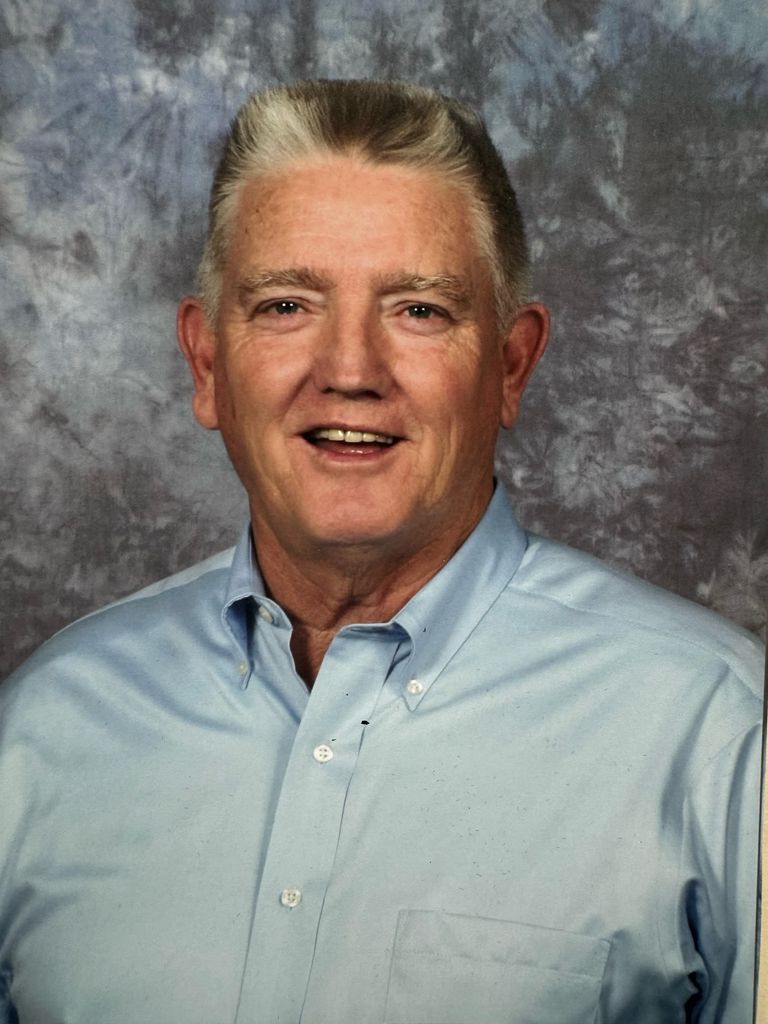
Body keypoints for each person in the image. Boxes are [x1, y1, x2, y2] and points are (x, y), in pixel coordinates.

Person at [0, 80, 762, 1024]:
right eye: (287, 304)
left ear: (511, 365)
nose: (351, 371)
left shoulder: (718, 736)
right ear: (207, 363)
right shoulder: (41, 734)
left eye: (419, 310)